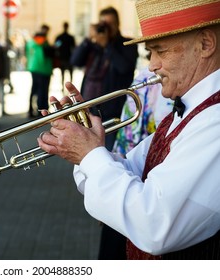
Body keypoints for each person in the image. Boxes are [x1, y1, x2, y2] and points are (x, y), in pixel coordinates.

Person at [38, 0, 220, 260]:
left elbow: (154, 226)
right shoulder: (187, 110)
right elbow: (128, 171)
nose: (151, 66)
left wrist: (90, 155)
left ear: (205, 44)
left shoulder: (214, 120)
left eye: (160, 51)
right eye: (150, 53)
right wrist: (88, 145)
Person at [70, 6, 138, 151]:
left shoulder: (127, 44)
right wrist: (88, 39)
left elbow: (124, 68)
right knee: (87, 153)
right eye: (103, 24)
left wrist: (107, 45)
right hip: (89, 109)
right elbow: (75, 61)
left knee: (107, 153)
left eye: (109, 24)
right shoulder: (94, 46)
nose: (105, 28)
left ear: (117, 24)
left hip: (113, 111)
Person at [25, 24, 53, 118]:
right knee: (42, 90)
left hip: (33, 67)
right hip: (43, 69)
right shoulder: (42, 42)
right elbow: (43, 56)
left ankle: (31, 110)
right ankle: (41, 110)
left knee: (34, 89)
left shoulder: (30, 43)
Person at [54, 22, 76, 88]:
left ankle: (63, 87)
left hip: (63, 58)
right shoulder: (70, 37)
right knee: (70, 74)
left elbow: (56, 46)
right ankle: (69, 87)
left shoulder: (60, 37)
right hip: (68, 57)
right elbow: (73, 48)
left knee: (63, 74)